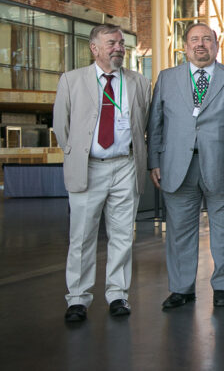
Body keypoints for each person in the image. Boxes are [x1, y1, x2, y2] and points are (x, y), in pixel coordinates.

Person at [53, 24, 151, 322]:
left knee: (122, 235)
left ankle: (118, 295)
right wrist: (82, 154)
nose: (119, 48)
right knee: (81, 236)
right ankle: (78, 299)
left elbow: (143, 124)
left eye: (121, 43)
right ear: (94, 48)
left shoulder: (140, 83)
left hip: (125, 166)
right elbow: (62, 127)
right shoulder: (71, 80)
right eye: (111, 43)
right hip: (88, 167)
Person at [148, 23, 224, 310]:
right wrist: (154, 160)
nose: (200, 44)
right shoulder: (166, 78)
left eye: (207, 39)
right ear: (185, 45)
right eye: (194, 39)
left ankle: (223, 287)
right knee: (179, 231)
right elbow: (155, 123)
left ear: (217, 44)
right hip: (176, 166)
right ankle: (181, 289)